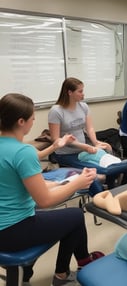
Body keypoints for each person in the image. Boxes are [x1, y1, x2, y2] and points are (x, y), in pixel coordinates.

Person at [0, 93, 104, 286]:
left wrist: (57, 181)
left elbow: (16, 180)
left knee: (65, 217)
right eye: (32, 117)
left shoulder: (11, 147)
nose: (34, 121)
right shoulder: (22, 152)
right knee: (74, 216)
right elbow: (44, 201)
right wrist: (78, 182)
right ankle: (62, 274)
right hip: (11, 231)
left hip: (4, 227)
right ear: (21, 121)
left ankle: (78, 263)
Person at [48, 77, 127, 189]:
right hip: (66, 154)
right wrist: (84, 146)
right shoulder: (56, 111)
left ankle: (115, 188)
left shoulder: (83, 106)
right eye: (80, 91)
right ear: (69, 92)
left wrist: (96, 143)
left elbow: (89, 129)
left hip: (84, 151)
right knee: (104, 170)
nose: (83, 94)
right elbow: (56, 140)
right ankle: (107, 191)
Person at [38, 134, 104, 196]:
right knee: (88, 177)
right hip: (41, 179)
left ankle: (101, 198)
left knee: (92, 177)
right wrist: (59, 184)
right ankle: (101, 199)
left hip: (42, 176)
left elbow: (38, 155)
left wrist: (55, 146)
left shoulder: (29, 149)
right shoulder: (28, 150)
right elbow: (44, 199)